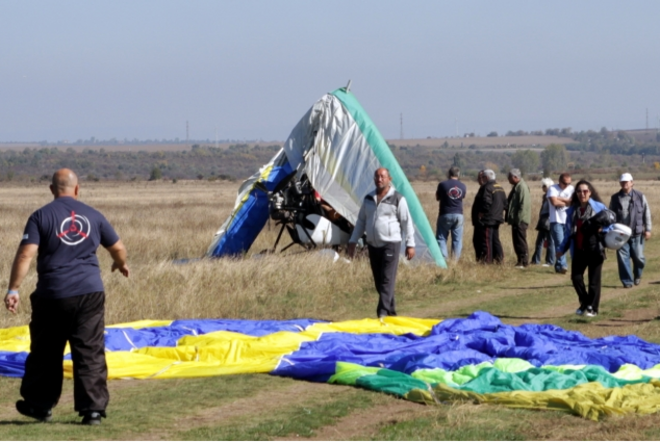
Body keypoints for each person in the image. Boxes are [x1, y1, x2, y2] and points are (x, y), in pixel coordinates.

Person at [4, 169, 129, 425]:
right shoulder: (94, 215)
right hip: (90, 292)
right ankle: (92, 410)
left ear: (51, 190)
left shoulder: (40, 216)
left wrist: (13, 289)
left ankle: (39, 406)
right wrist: (119, 264)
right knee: (90, 350)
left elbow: (26, 254)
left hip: (53, 294)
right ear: (77, 189)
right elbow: (118, 247)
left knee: (46, 352)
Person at [347, 168, 415, 318]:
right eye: (377, 176)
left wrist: (410, 244)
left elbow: (406, 222)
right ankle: (391, 313)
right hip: (373, 245)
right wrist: (352, 241)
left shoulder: (398, 198)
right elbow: (361, 222)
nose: (379, 179)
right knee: (379, 282)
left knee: (387, 279)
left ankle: (382, 313)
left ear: (389, 178)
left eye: (382, 176)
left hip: (391, 243)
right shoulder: (368, 199)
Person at [557, 180, 610, 317]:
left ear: (590, 192)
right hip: (579, 249)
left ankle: (593, 308)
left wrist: (602, 228)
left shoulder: (599, 207)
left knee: (594, 281)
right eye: (579, 191)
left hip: (595, 249)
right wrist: (562, 248)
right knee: (576, 278)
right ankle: (585, 303)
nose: (582, 194)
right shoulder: (572, 210)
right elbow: (568, 232)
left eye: (585, 191)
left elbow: (611, 224)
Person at [609, 173, 652, 288]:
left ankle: (637, 275)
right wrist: (610, 229)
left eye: (627, 182)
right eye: (622, 182)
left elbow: (646, 213)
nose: (625, 184)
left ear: (632, 183)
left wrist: (648, 229)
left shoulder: (640, 196)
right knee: (623, 258)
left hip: (637, 233)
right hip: (620, 234)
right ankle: (627, 281)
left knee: (639, 257)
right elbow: (610, 215)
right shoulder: (615, 198)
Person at [473, 169, 507, 264]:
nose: (482, 179)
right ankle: (500, 260)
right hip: (497, 218)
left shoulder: (487, 187)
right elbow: (505, 203)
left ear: (487, 177)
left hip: (488, 219)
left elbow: (486, 202)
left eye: (483, 177)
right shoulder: (500, 187)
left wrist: (482, 212)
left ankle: (487, 262)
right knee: (495, 240)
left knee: (486, 241)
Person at [435, 166, 467, 261]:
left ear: (448, 174)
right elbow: (462, 197)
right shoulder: (463, 186)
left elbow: (437, 197)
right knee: (457, 239)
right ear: (458, 174)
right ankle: (455, 260)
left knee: (441, 238)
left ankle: (444, 259)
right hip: (458, 214)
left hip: (445, 214)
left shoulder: (442, 184)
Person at [547, 172, 574, 274]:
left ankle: (558, 266)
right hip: (556, 220)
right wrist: (568, 201)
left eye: (569, 183)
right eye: (564, 183)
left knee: (566, 243)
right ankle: (563, 265)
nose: (567, 185)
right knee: (559, 242)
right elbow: (554, 202)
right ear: (559, 181)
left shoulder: (572, 189)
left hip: (568, 220)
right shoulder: (552, 189)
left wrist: (559, 198)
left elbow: (575, 201)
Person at [506, 168, 531, 268]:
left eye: (509, 177)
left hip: (520, 219)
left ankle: (524, 261)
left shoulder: (522, 187)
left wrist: (519, 219)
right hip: (517, 219)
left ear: (515, 177)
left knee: (520, 241)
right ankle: (520, 260)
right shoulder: (517, 186)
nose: (508, 179)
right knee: (516, 240)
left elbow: (523, 205)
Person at [531, 178, 556, 267]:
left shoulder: (551, 196)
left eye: (544, 186)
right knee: (539, 241)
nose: (543, 187)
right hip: (543, 219)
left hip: (549, 219)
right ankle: (536, 260)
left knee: (550, 241)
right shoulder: (545, 196)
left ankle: (550, 261)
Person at [471, 170, 487, 261]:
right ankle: (479, 259)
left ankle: (484, 260)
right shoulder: (482, 188)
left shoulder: (486, 189)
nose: (479, 179)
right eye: (478, 177)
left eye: (481, 177)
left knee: (482, 241)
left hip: (483, 221)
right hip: (477, 221)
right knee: (476, 241)